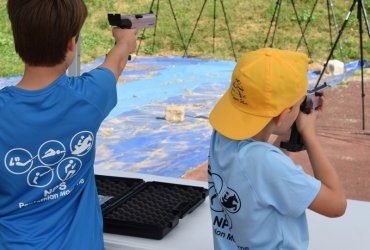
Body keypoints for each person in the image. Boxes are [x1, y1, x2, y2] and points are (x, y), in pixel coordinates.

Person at [0, 0, 137, 249]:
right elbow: (115, 64)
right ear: (72, 43)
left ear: (18, 39)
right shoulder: (91, 95)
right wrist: (125, 40)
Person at [208, 48, 347, 250]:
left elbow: (263, 182)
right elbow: (336, 204)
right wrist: (309, 135)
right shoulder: (265, 163)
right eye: (300, 103)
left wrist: (287, 132)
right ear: (284, 116)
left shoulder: (220, 137)